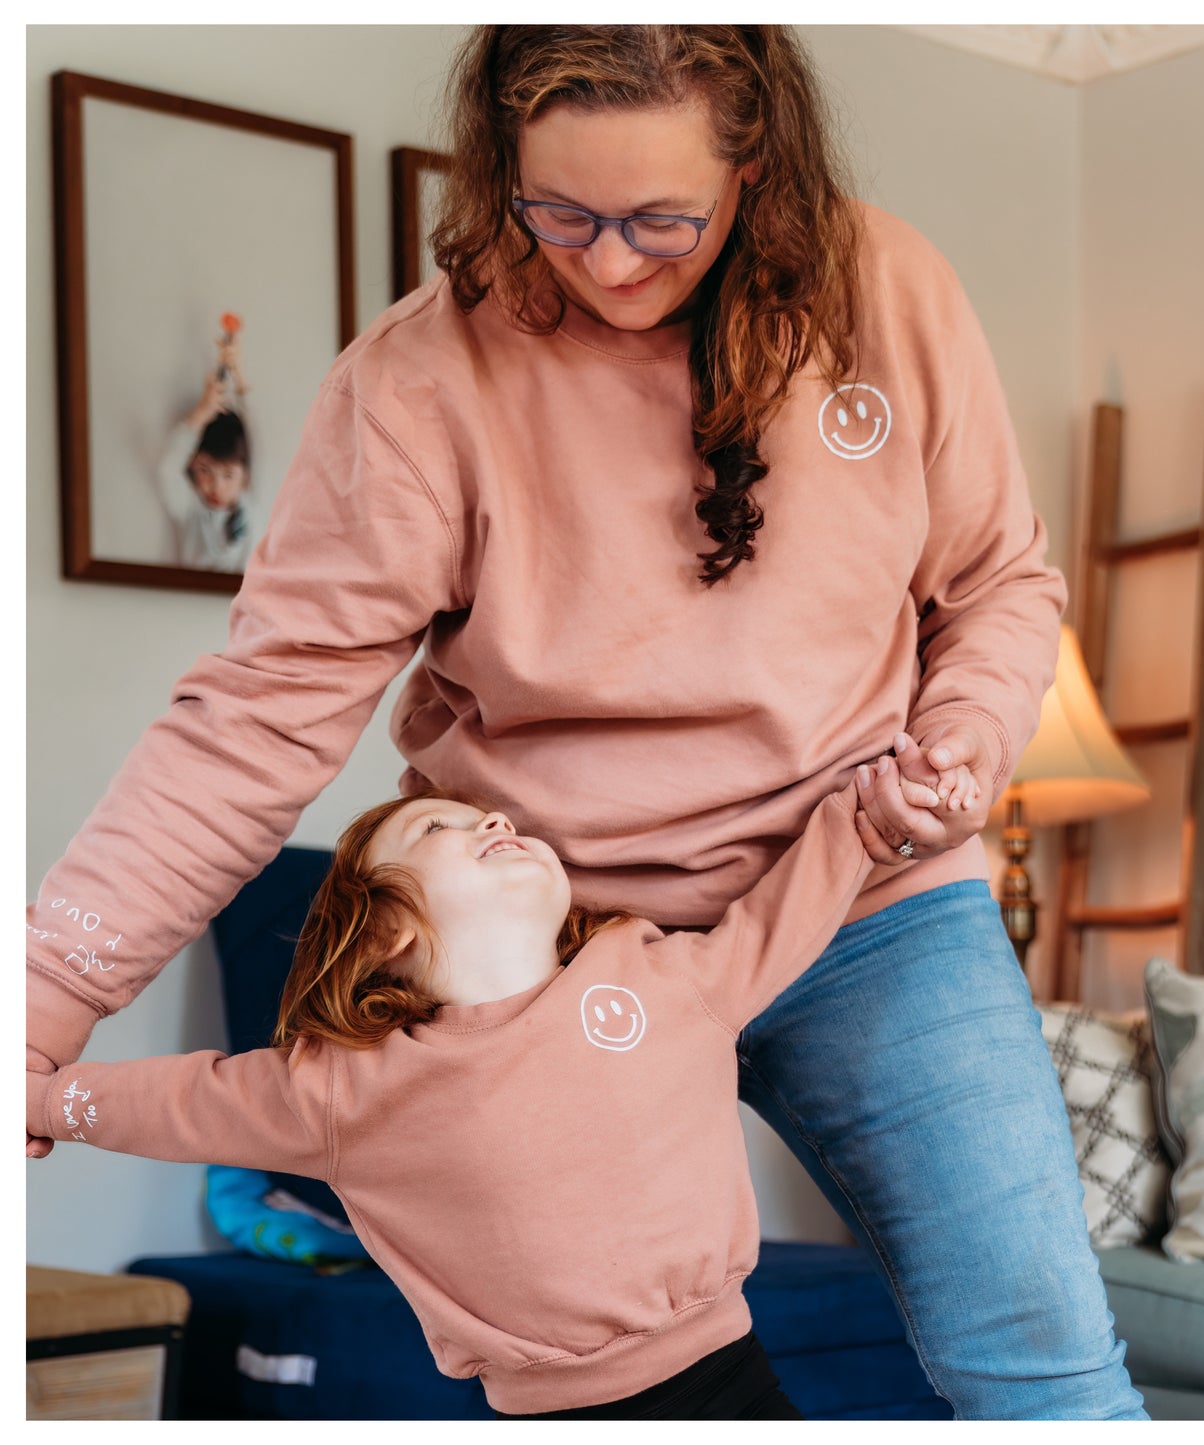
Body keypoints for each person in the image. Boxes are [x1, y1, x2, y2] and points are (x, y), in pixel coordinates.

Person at [27, 25, 1146, 1419]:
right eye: (559, 215)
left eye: (661, 220)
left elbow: (995, 583)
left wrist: (968, 743)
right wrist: (46, 999)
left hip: (867, 902)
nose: (610, 262)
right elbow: (258, 713)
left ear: (756, 170)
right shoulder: (416, 380)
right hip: (537, 957)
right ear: (498, 166)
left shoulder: (887, 290)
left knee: (1037, 1352)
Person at [30, 774, 880, 1419]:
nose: (496, 822)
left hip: (737, 1382)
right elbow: (178, 1101)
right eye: (441, 826)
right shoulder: (345, 1087)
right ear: (387, 930)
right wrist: (39, 1100)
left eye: (496, 819)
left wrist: (867, 817)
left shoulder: (655, 975)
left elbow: (782, 914)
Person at [155, 341, 252, 571]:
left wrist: (237, 376)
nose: (216, 486)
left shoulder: (252, 506)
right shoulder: (189, 508)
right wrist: (201, 413)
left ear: (245, 475)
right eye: (205, 470)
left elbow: (254, 435)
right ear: (191, 466)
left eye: (228, 474)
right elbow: (167, 470)